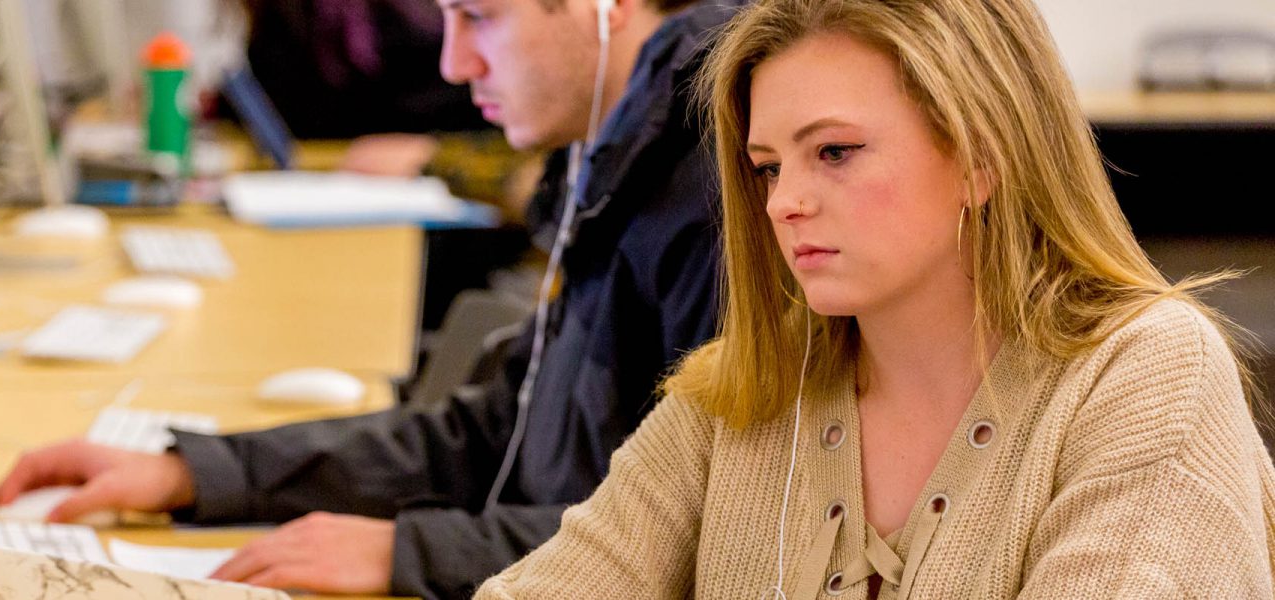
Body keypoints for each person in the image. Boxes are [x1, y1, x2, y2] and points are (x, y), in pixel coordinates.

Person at [474, 0, 1275, 597]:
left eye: (834, 152)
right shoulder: (745, 388)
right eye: (767, 167)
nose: (784, 201)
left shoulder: (1146, 375)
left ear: (982, 156)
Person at [0, 0, 747, 597]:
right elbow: (499, 434)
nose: (454, 62)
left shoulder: (711, 188)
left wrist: (408, 549)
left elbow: (698, 541)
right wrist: (200, 474)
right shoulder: (615, 158)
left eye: (479, 16)